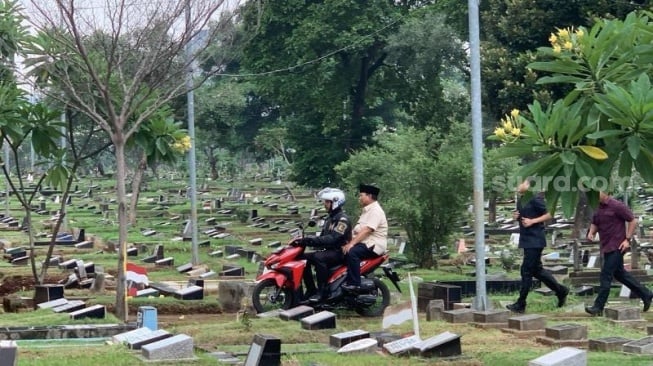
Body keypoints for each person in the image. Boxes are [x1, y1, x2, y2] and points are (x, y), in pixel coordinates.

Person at [584, 191, 653, 316]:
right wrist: (591, 233)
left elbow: (632, 220)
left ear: (605, 192)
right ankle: (646, 294)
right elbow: (595, 222)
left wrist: (627, 239)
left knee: (606, 275)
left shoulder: (617, 205)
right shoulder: (597, 206)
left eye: (597, 192)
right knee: (620, 274)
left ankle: (598, 307)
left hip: (617, 246)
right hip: (606, 246)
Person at [506, 179, 569, 313]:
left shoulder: (535, 199)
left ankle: (521, 303)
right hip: (526, 240)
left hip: (535, 240)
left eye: (520, 183)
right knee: (537, 271)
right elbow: (523, 217)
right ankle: (561, 290)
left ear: (528, 185)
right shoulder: (521, 199)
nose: (518, 185)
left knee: (526, 271)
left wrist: (533, 221)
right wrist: (516, 217)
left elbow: (550, 214)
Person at [292, 187, 352, 302]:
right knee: (302, 258)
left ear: (335, 202)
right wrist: (305, 240)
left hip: (339, 252)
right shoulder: (330, 219)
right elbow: (322, 238)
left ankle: (322, 292)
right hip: (329, 251)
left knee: (319, 257)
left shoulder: (342, 219)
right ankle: (311, 290)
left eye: (327, 202)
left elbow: (333, 238)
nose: (325, 204)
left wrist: (310, 239)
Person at [342, 184, 388, 292]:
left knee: (352, 252)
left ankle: (354, 284)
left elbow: (367, 230)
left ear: (369, 196)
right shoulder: (367, 210)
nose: (359, 198)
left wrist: (351, 244)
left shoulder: (375, 211)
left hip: (374, 245)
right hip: (366, 243)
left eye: (361, 195)